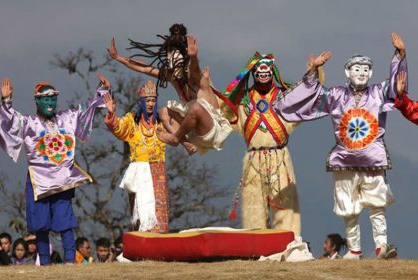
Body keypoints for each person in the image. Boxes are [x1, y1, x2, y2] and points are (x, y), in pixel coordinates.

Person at [275, 32, 407, 259]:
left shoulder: (378, 93)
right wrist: (314, 70)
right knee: (349, 207)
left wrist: (400, 55)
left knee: (377, 204)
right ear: (347, 73)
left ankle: (382, 246)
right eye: (356, 69)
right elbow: (312, 96)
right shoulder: (336, 95)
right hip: (344, 159)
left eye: (365, 70)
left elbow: (397, 90)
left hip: (372, 157)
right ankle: (354, 249)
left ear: (371, 73)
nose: (361, 74)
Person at [0, 74, 111, 265]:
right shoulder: (29, 123)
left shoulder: (67, 118)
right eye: (46, 99)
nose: (50, 102)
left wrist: (102, 90)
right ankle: (44, 263)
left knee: (66, 223)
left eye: (53, 98)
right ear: (37, 102)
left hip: (63, 181)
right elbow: (8, 122)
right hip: (38, 181)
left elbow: (88, 108)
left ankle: (69, 262)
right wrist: (6, 100)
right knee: (40, 225)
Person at [218, 52, 321, 235]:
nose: (263, 73)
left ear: (273, 72)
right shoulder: (243, 99)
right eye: (258, 69)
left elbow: (305, 97)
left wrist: (313, 71)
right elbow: (224, 110)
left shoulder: (284, 97)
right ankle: (255, 246)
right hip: (253, 159)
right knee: (253, 206)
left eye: (267, 70)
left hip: (279, 157)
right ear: (252, 72)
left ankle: (288, 244)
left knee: (285, 204)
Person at [107, 23, 232, 154]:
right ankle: (186, 144)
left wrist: (194, 56)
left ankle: (175, 138)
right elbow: (144, 67)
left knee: (195, 107)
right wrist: (118, 57)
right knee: (163, 112)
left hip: (211, 131)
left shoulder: (195, 76)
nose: (173, 63)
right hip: (194, 133)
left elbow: (195, 67)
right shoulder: (171, 76)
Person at [105, 80, 169, 232]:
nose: (151, 104)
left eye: (153, 100)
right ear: (141, 102)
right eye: (147, 100)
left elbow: (175, 134)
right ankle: (141, 247)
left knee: (159, 210)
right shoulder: (132, 121)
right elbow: (118, 129)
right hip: (138, 171)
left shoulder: (162, 123)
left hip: (158, 170)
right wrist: (111, 113)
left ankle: (159, 249)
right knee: (139, 210)